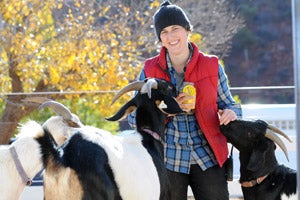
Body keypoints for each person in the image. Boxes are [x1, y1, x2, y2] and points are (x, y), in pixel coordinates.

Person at [128, 1, 242, 200]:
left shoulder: (212, 65)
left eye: (175, 29)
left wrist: (232, 113)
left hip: (207, 154)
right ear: (160, 38)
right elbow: (133, 117)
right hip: (167, 157)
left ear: (187, 30)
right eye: (164, 32)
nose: (171, 36)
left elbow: (230, 105)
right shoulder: (149, 70)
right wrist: (167, 109)